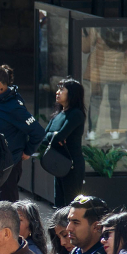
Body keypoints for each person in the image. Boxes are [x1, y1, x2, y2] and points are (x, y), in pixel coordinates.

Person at [0, 65, 45, 204]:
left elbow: (38, 132)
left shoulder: (13, 106)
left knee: (8, 210)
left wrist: (27, 151)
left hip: (8, 166)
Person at [43, 78, 87, 207]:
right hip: (59, 163)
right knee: (59, 204)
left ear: (72, 93)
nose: (57, 92)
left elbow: (59, 136)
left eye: (62, 89)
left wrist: (56, 136)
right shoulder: (59, 113)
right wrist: (55, 136)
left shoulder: (76, 114)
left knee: (71, 205)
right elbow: (44, 137)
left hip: (72, 165)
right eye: (58, 89)